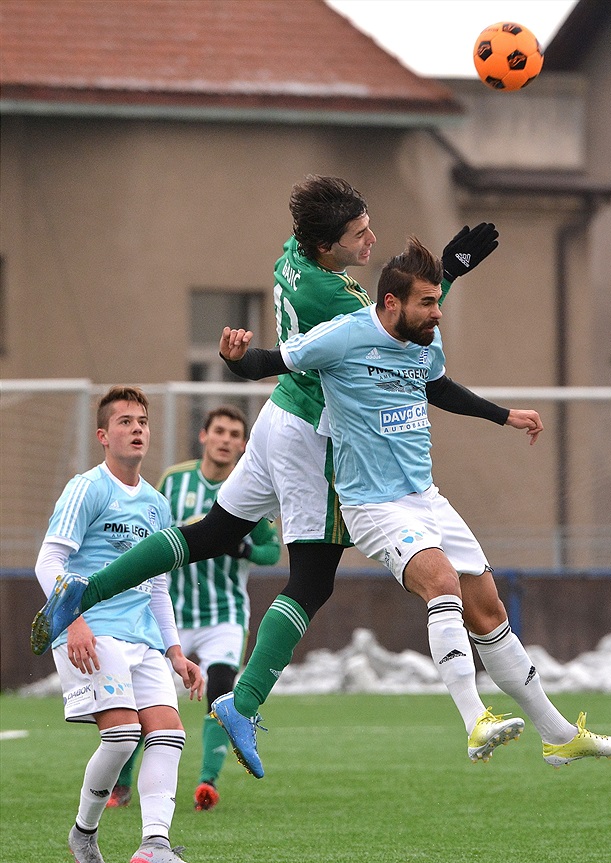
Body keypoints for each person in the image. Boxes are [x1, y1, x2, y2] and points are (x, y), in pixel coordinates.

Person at [32, 177, 515, 777]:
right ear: (323, 246)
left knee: (209, 533)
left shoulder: (292, 255)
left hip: (279, 417)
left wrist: (442, 268)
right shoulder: (337, 301)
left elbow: (381, 311)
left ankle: (85, 590)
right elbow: (395, 329)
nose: (371, 240)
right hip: (312, 433)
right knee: (311, 581)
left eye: (367, 226)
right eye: (357, 234)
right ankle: (244, 703)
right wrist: (448, 270)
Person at [212, 236, 611, 775]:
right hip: (372, 505)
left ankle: (556, 735)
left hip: (427, 498)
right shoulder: (342, 336)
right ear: (390, 304)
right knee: (441, 584)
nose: (437, 313)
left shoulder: (425, 340)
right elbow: (273, 361)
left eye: (438, 300)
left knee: (490, 611)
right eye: (428, 303)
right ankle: (475, 718)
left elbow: (440, 389)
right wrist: (233, 359)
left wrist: (506, 416)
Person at [33, 386, 206, 863]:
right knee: (123, 735)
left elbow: (156, 585)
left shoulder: (155, 504)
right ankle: (84, 832)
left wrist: (175, 650)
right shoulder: (86, 488)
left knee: (169, 734)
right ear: (104, 436)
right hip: (90, 632)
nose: (137, 429)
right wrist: (74, 621)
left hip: (142, 639)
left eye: (143, 421)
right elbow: (49, 561)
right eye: (126, 421)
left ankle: (155, 844)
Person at [106, 405, 280, 811]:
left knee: (220, 693)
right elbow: (152, 529)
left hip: (225, 614)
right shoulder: (175, 481)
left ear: (242, 445)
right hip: (172, 616)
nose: (226, 440)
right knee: (145, 698)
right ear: (204, 436)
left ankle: (207, 782)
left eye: (235, 435)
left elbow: (273, 552)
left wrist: (244, 546)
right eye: (219, 431)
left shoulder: (250, 485)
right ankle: (121, 785)